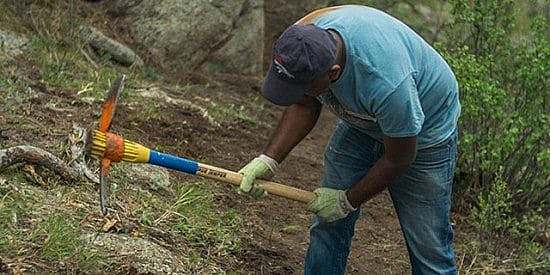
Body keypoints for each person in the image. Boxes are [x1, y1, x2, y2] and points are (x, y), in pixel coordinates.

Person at [238, 5, 460, 275]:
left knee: (429, 248)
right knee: (327, 221)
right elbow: (305, 103)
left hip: (424, 133)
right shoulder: (302, 40)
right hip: (365, 121)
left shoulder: (387, 83)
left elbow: (399, 158)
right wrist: (268, 160)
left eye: (303, 86)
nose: (297, 94)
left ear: (332, 73)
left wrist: (347, 200)